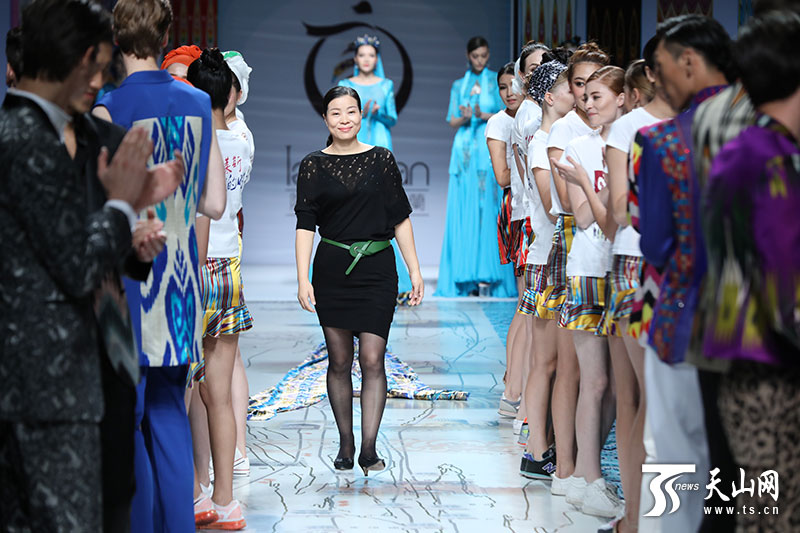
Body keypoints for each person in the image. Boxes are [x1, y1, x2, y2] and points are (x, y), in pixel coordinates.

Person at [0, 1, 182, 530]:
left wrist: (133, 243)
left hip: (105, 364)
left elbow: (87, 246)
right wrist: (122, 206)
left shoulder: (99, 135)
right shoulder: (23, 139)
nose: (102, 81)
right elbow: (75, 262)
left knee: (113, 506)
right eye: (94, 65)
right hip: (47, 383)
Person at [93, 0, 227, 530]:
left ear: (116, 37)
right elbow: (214, 202)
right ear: (166, 34)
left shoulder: (108, 109)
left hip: (131, 278)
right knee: (170, 411)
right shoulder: (197, 102)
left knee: (129, 418)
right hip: (181, 277)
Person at [699, 12, 800, 531]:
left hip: (738, 351)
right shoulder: (771, 159)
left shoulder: (748, 148)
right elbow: (784, 282)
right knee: (775, 515)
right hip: (769, 364)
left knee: (755, 511)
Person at [633, 14, 734, 532]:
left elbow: (654, 242)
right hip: (757, 326)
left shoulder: (664, 141)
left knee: (676, 455)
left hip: (681, 317)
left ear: (689, 62)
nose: (657, 79)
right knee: (742, 465)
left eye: (662, 67)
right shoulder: (768, 131)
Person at [294, 86, 423, 475]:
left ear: (361, 115)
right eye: (336, 113)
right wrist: (302, 278)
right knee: (339, 360)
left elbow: (400, 217)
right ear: (325, 119)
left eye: (351, 111)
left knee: (372, 358)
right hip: (332, 270)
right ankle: (346, 443)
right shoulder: (313, 164)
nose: (344, 119)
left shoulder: (381, 158)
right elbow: (305, 225)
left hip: (377, 270)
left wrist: (415, 270)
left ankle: (369, 448)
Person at [599, 44, 673, 533]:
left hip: (683, 265)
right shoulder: (629, 127)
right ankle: (636, 513)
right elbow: (616, 212)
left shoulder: (700, 124)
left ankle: (657, 515)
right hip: (634, 260)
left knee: (665, 398)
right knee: (637, 395)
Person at [551, 65, 626, 519]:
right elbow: (582, 218)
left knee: (617, 386)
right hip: (588, 270)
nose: (589, 102)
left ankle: (586, 473)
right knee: (593, 381)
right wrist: (581, 178)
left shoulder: (634, 143)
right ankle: (588, 477)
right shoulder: (578, 146)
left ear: (623, 98)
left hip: (622, 270)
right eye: (586, 95)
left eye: (599, 96)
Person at [539, 43, 607, 499]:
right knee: (570, 367)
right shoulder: (566, 129)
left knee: (603, 377)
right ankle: (565, 468)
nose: (584, 93)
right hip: (570, 243)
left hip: (607, 246)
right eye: (578, 84)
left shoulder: (615, 127)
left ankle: (587, 466)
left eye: (593, 85)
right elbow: (567, 203)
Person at [188, 48, 251, 530]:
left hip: (192, 267)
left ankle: (196, 493)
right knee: (222, 395)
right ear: (232, 93)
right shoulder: (242, 141)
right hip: (229, 267)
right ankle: (227, 501)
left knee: (190, 392)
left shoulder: (188, 142)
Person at [518, 61, 573, 482]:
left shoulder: (560, 137)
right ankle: (537, 450)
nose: (579, 94)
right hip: (548, 256)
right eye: (572, 86)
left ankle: (544, 445)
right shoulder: (541, 142)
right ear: (550, 97)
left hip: (560, 254)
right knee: (545, 361)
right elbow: (554, 208)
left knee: (556, 363)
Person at [437, 36, 515, 297]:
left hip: (488, 147)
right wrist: (465, 116)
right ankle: (465, 278)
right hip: (464, 152)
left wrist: (483, 115)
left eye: (483, 55)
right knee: (464, 210)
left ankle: (494, 277)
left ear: (488, 54)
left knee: (491, 209)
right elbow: (451, 120)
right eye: (475, 56)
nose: (480, 60)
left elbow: (507, 111)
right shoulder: (459, 85)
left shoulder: (497, 81)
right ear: (468, 56)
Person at [337, 34, 412, 297]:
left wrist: (379, 111)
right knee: (349, 204)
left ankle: (392, 278)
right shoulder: (345, 84)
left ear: (376, 58)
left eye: (371, 55)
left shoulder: (386, 84)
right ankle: (344, 271)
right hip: (351, 143)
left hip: (380, 142)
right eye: (362, 55)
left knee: (381, 209)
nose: (366, 59)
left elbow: (392, 119)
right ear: (355, 58)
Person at [485, 62, 526, 423]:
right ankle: (513, 385)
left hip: (534, 205)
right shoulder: (499, 122)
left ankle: (516, 381)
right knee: (525, 302)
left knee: (529, 304)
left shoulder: (535, 116)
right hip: (517, 208)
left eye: (515, 84)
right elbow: (502, 176)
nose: (509, 92)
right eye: (502, 87)